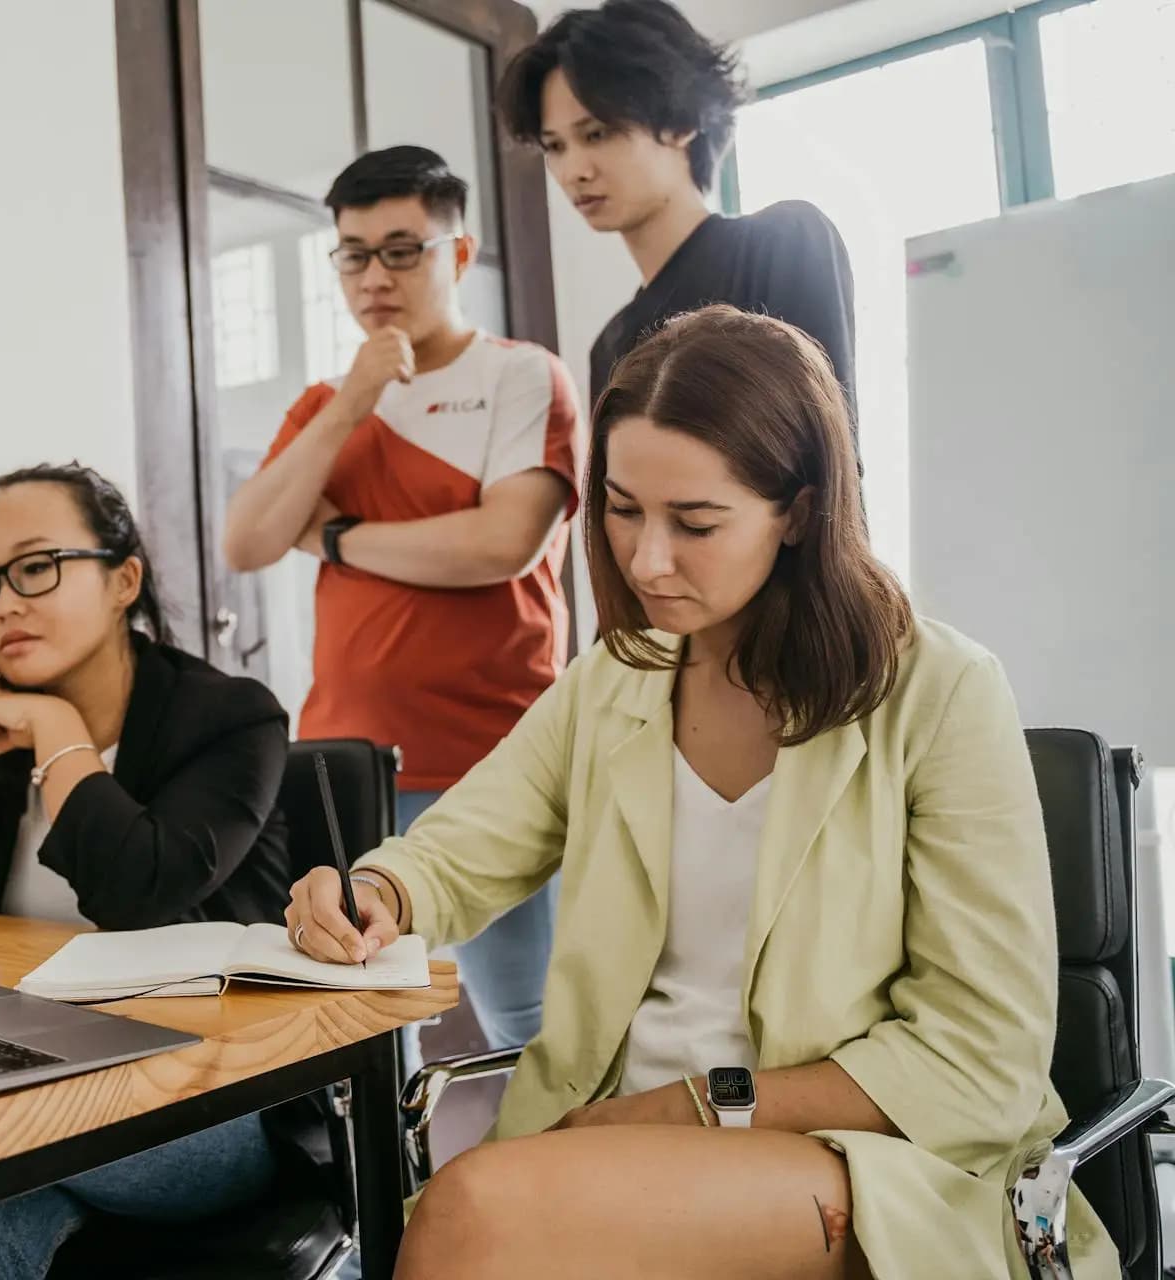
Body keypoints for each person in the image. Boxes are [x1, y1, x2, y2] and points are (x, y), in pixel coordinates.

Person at [283, 306, 1120, 1279]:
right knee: (484, 1213)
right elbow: (462, 844)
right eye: (624, 507)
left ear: (801, 510)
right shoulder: (614, 681)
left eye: (696, 521)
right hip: (613, 1144)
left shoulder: (938, 690)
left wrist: (685, 1106)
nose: (645, 560)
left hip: (873, 1160)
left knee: (473, 1210)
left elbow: (980, 1055)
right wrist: (377, 895)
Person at [0, 462, 298, 1279]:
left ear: (122, 580)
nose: (4, 602)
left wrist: (56, 726)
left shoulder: (231, 718)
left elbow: (139, 892)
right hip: (29, 1075)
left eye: (36, 567)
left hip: (210, 1095)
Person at [222, 145, 580, 1066]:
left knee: (531, 1030)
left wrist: (338, 538)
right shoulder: (326, 404)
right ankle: (403, 1207)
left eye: (402, 249)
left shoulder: (521, 375)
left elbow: (502, 546)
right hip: (352, 758)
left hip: (499, 755)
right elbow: (248, 541)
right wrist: (352, 401)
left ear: (456, 256)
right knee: (369, 1029)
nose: (375, 276)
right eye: (353, 254)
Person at [500, 0, 857, 414]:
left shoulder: (782, 244)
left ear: (682, 121)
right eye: (555, 146)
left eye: (597, 134)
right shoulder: (612, 343)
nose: (572, 171)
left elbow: (834, 457)